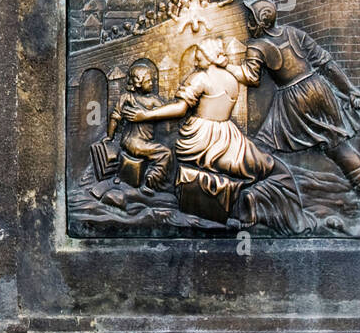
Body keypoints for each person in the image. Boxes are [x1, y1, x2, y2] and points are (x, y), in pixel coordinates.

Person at [123, 38, 311, 232]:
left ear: (210, 58)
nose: (195, 62)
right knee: (271, 168)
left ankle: (241, 201)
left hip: (200, 138)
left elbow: (180, 109)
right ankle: (256, 203)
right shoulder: (231, 78)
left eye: (199, 57)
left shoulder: (200, 78)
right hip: (229, 135)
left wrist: (146, 114)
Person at [229, 0, 360, 223]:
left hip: (293, 100)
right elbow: (326, 64)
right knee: (338, 147)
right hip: (319, 89)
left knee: (262, 146)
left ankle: (259, 205)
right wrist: (349, 90)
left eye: (250, 19)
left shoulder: (258, 47)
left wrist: (228, 66)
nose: (248, 24)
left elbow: (251, 78)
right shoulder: (293, 33)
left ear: (261, 22)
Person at [106, 62, 171, 195]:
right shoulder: (153, 101)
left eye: (152, 80)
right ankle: (150, 183)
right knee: (165, 154)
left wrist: (110, 136)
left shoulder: (125, 98)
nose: (152, 83)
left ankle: (124, 175)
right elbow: (167, 122)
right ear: (138, 83)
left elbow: (115, 118)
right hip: (138, 144)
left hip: (126, 141)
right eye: (148, 81)